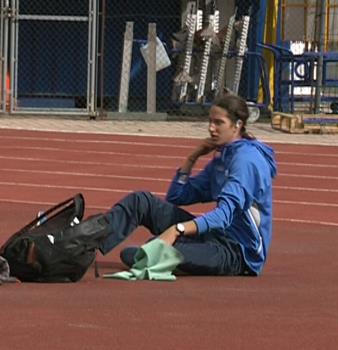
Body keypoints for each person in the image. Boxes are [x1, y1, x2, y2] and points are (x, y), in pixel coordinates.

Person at [95, 94, 277, 276]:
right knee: (140, 201)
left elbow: (224, 216)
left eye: (219, 123)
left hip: (237, 253)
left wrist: (178, 230)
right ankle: (85, 247)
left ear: (237, 125)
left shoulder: (246, 161)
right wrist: (192, 158)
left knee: (137, 254)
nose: (211, 129)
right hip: (213, 234)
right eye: (210, 122)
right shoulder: (222, 158)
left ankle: (170, 249)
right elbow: (177, 196)